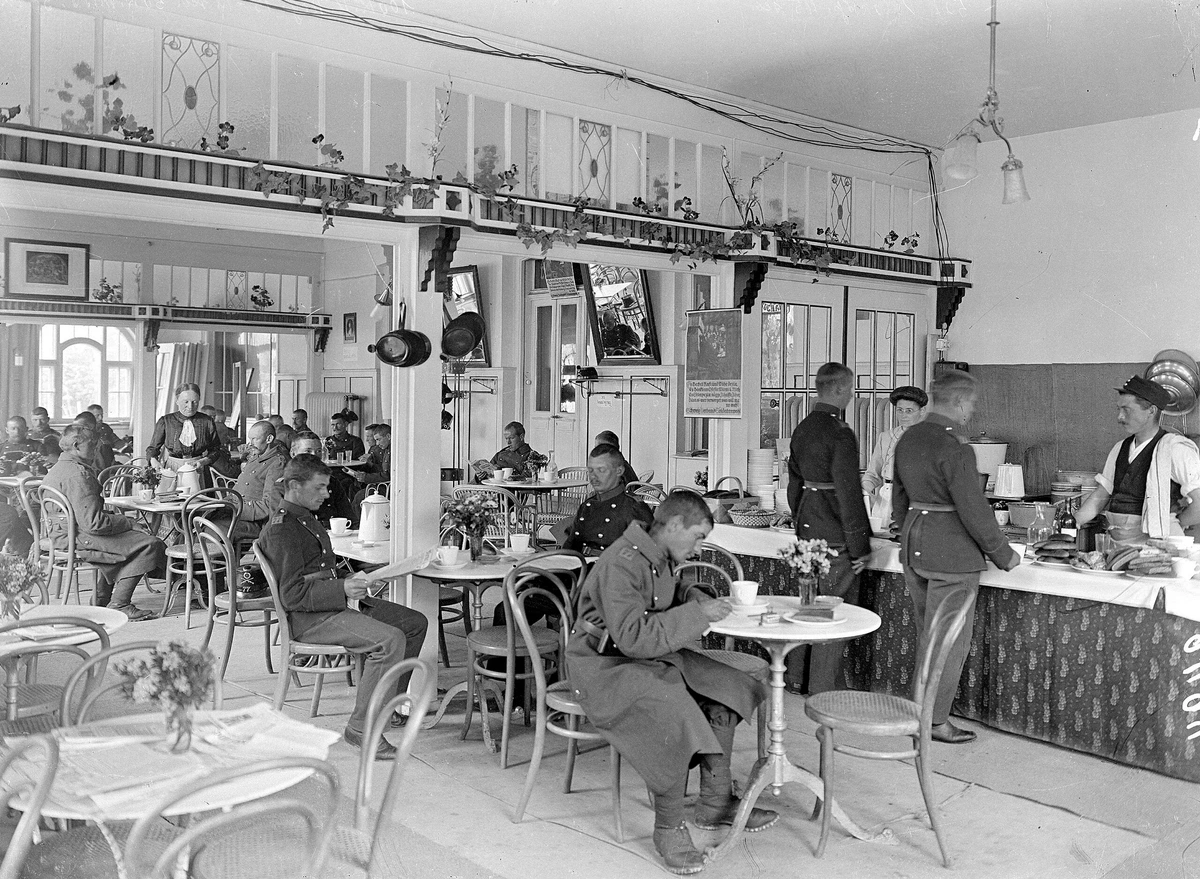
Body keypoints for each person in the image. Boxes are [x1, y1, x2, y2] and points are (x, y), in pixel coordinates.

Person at [567, 491, 776, 873]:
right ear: (675, 524)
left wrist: (693, 594)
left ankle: (715, 803)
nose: (698, 549)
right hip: (602, 664)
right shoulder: (623, 561)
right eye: (697, 537)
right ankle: (668, 826)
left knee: (727, 687)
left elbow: (666, 590)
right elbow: (633, 636)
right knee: (673, 707)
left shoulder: (655, 553)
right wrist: (698, 614)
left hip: (641, 657)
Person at [258, 455, 429, 760]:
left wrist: (354, 580)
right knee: (389, 640)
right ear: (294, 485)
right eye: (319, 487)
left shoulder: (302, 517)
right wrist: (342, 589)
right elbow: (292, 595)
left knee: (413, 623)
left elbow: (318, 571)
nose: (327, 494)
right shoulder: (282, 530)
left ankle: (385, 708)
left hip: (329, 605)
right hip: (310, 619)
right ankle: (362, 730)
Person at [892, 369, 1020, 744]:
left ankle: (918, 715)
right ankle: (934, 722)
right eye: (972, 403)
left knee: (928, 637)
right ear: (960, 403)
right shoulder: (956, 448)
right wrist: (1003, 553)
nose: (973, 411)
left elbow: (899, 498)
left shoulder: (910, 437)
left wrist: (907, 532)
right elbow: (973, 508)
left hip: (914, 548)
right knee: (948, 642)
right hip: (951, 556)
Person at [784, 362, 871, 696]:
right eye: (850, 389)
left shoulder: (802, 428)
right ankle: (822, 689)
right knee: (833, 611)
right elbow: (849, 494)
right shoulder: (840, 433)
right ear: (839, 389)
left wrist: (800, 520)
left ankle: (795, 678)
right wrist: (860, 546)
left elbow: (794, 486)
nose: (851, 395)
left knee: (807, 605)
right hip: (835, 534)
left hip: (807, 526)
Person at [43, 424, 165, 621]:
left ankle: (102, 599)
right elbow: (94, 524)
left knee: (130, 541)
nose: (97, 448)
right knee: (150, 544)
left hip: (63, 533)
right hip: (75, 536)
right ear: (76, 446)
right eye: (92, 444)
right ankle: (120, 603)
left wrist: (124, 525)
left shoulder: (60, 467)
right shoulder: (78, 474)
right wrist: (128, 522)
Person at [1076, 375, 1200, 542]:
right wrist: (1074, 522)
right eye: (1118, 409)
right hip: (1119, 543)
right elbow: (1101, 495)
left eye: (1127, 410)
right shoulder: (1120, 448)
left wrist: (1171, 524)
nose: (1119, 417)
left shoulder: (1174, 449)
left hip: (1158, 544)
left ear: (1151, 411)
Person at [558, 444, 653, 557]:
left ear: (619, 471)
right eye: (590, 470)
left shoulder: (633, 507)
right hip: (582, 563)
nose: (593, 476)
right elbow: (571, 545)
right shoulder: (587, 505)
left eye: (601, 470)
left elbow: (649, 556)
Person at [861, 386, 928, 524]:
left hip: (915, 498)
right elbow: (873, 474)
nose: (903, 415)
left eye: (909, 411)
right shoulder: (886, 437)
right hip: (886, 498)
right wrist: (863, 490)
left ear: (922, 411)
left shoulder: (929, 438)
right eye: (899, 410)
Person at [147, 383, 222, 484]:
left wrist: (203, 461)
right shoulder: (165, 421)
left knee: (200, 493)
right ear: (177, 401)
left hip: (199, 468)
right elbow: (152, 449)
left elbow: (216, 450)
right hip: (172, 470)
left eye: (194, 402)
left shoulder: (207, 421)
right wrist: (154, 461)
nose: (190, 406)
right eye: (186, 402)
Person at [230, 420, 287, 541]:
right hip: (237, 512)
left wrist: (233, 509)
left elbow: (268, 505)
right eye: (250, 439)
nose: (250, 444)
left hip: (255, 522)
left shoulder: (277, 464)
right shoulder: (256, 457)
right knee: (197, 520)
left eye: (254, 439)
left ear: (269, 439)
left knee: (211, 528)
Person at [291, 433, 355, 527]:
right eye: (308, 451)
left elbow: (350, 519)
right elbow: (284, 527)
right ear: (293, 454)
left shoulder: (332, 483)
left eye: (318, 451)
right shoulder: (284, 486)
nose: (314, 455)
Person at [472, 421, 538, 480]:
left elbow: (526, 481)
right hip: (492, 487)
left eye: (511, 438)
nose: (508, 442)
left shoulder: (532, 456)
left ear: (521, 437)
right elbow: (487, 471)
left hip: (509, 488)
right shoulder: (501, 453)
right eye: (506, 439)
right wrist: (480, 476)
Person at [354, 423, 391, 487]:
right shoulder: (384, 448)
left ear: (388, 436)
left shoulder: (390, 451)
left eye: (379, 439)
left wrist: (366, 477)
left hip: (384, 485)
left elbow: (386, 474)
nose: (378, 443)